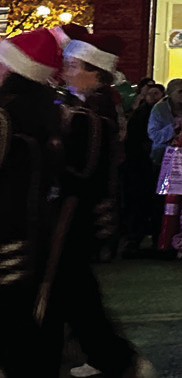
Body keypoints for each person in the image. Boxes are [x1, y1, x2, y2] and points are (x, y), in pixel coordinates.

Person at [39, 33, 152, 378]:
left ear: (95, 73)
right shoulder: (89, 109)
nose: (66, 73)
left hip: (74, 215)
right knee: (72, 293)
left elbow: (84, 170)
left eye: (74, 67)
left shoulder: (92, 116)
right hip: (76, 214)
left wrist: (52, 159)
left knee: (74, 292)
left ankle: (114, 358)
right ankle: (97, 355)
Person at [1, 29, 66, 378]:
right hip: (32, 224)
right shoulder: (43, 113)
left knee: (12, 318)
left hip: (5, 226)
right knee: (24, 313)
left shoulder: (6, 113)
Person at [121, 80, 164, 252]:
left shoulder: (161, 114)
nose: (153, 97)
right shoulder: (140, 114)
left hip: (155, 163)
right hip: (140, 164)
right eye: (150, 93)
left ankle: (155, 236)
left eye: (156, 93)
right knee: (139, 202)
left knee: (155, 203)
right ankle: (136, 237)